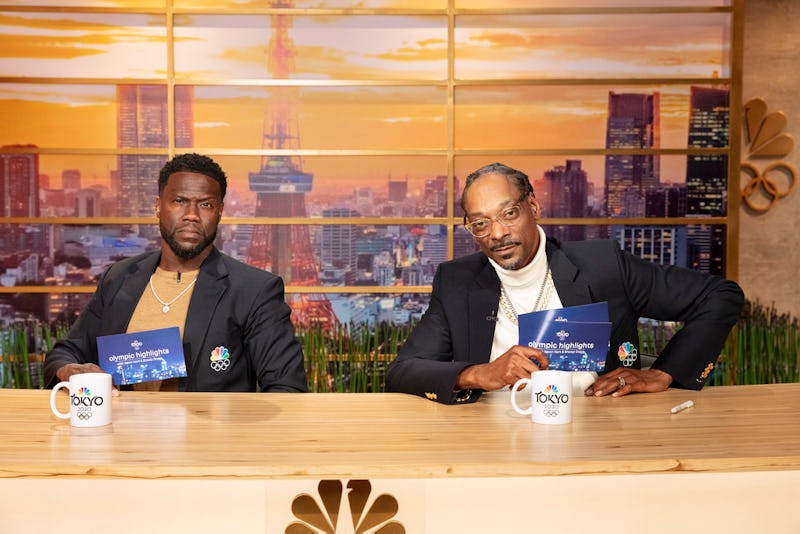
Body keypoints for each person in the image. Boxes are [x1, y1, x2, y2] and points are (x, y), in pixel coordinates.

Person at [386, 162, 744, 404]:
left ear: (533, 206)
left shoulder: (602, 266)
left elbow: (720, 296)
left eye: (508, 214)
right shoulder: (457, 282)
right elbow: (403, 371)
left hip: (598, 436)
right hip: (489, 442)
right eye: (480, 223)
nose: (497, 233)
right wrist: (480, 374)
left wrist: (665, 373)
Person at [44, 153, 308, 393]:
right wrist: (70, 370)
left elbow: (287, 389)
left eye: (205, 205)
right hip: (121, 439)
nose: (191, 215)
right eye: (179, 201)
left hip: (207, 442)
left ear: (219, 212)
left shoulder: (254, 290)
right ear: (158, 206)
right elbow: (66, 352)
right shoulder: (119, 277)